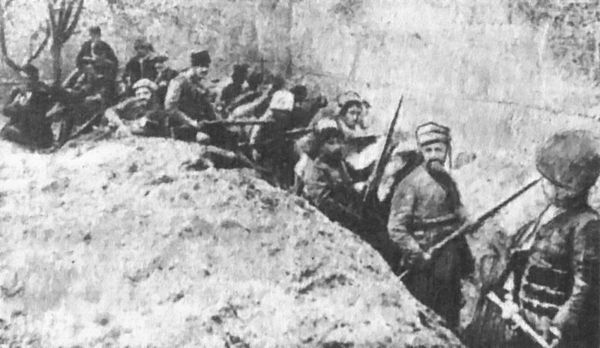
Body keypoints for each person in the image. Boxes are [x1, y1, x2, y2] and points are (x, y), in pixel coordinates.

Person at [466, 130, 600, 348]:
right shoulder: (550, 213)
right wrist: (512, 300)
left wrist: (559, 327)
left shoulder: (587, 224)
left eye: (548, 181)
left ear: (567, 189)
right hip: (527, 324)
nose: (543, 185)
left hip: (551, 334)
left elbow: (584, 287)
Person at [387, 121, 474, 330]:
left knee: (450, 315)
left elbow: (458, 209)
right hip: (425, 263)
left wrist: (466, 219)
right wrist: (417, 253)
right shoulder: (410, 184)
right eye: (428, 150)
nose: (434, 154)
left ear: (447, 150)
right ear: (421, 151)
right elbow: (396, 227)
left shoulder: (448, 180)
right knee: (427, 320)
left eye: (439, 149)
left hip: (449, 259)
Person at [301, 118, 363, 228]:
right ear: (320, 146)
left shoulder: (339, 162)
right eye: (331, 143)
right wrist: (351, 218)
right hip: (327, 218)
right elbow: (321, 201)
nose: (337, 146)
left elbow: (350, 182)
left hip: (345, 208)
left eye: (339, 142)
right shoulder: (317, 167)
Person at [164, 50, 217, 142]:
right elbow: (170, 108)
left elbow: (207, 107)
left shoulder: (199, 84)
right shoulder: (178, 82)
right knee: (205, 139)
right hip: (181, 127)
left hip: (198, 125)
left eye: (207, 66)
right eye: (201, 66)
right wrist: (191, 122)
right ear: (193, 67)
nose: (205, 69)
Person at [0, 64, 53, 148]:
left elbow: (36, 113)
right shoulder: (21, 91)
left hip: (36, 136)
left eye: (27, 78)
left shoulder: (39, 93)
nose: (24, 81)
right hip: (31, 133)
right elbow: (6, 111)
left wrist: (16, 104)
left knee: (5, 132)